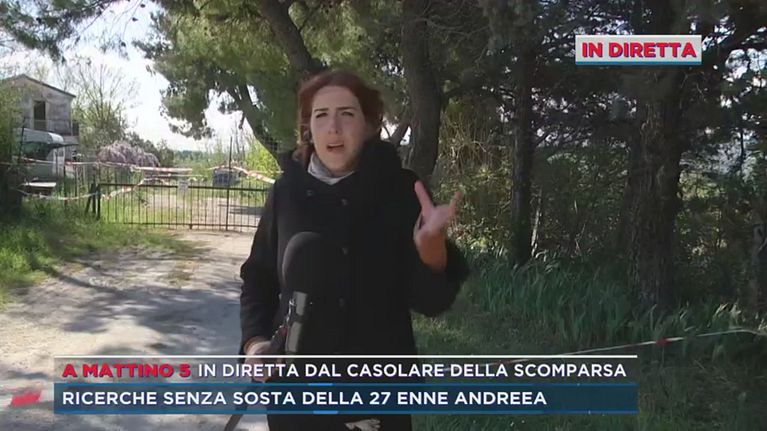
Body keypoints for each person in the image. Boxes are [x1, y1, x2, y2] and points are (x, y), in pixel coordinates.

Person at [238, 69, 470, 430]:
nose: (333, 127)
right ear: (308, 129)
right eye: (321, 115)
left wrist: (431, 250)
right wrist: (255, 344)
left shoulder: (400, 191)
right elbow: (258, 279)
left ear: (369, 125)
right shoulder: (286, 192)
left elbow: (431, 302)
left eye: (346, 114)